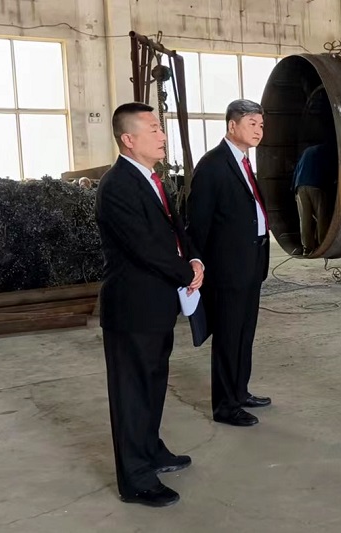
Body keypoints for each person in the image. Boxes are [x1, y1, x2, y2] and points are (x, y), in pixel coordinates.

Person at [95, 102, 204, 507]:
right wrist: (184, 272)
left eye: (161, 128)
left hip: (158, 304)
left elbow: (175, 231)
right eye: (154, 129)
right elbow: (144, 247)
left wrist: (194, 259)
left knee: (153, 383)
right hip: (132, 308)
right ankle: (136, 479)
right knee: (132, 394)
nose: (162, 135)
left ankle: (151, 449)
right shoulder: (117, 186)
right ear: (128, 139)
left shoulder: (152, 179)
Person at [186, 99, 271, 427]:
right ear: (232, 125)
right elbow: (198, 223)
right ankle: (225, 406)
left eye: (261, 125)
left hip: (252, 263)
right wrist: (198, 263)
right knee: (227, 336)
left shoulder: (245, 163)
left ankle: (240, 391)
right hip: (227, 269)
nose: (258, 131)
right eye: (252, 124)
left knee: (244, 333)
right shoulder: (213, 165)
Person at [292, 140, 336, 255]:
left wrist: (294, 188)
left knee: (304, 219)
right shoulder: (326, 151)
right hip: (316, 185)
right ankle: (322, 246)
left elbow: (296, 169)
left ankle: (307, 248)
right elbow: (329, 168)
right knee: (322, 217)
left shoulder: (306, 151)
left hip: (300, 186)